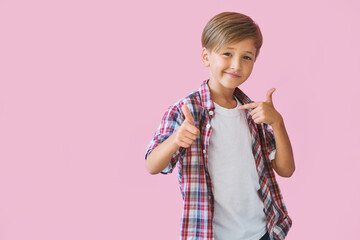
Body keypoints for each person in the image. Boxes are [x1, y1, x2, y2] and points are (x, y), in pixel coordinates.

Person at [144, 11, 295, 240]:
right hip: (211, 234)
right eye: (227, 53)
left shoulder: (253, 112)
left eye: (247, 57)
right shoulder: (187, 110)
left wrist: (278, 123)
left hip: (262, 232)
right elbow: (152, 165)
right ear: (206, 57)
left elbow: (286, 170)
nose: (236, 65)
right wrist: (176, 139)